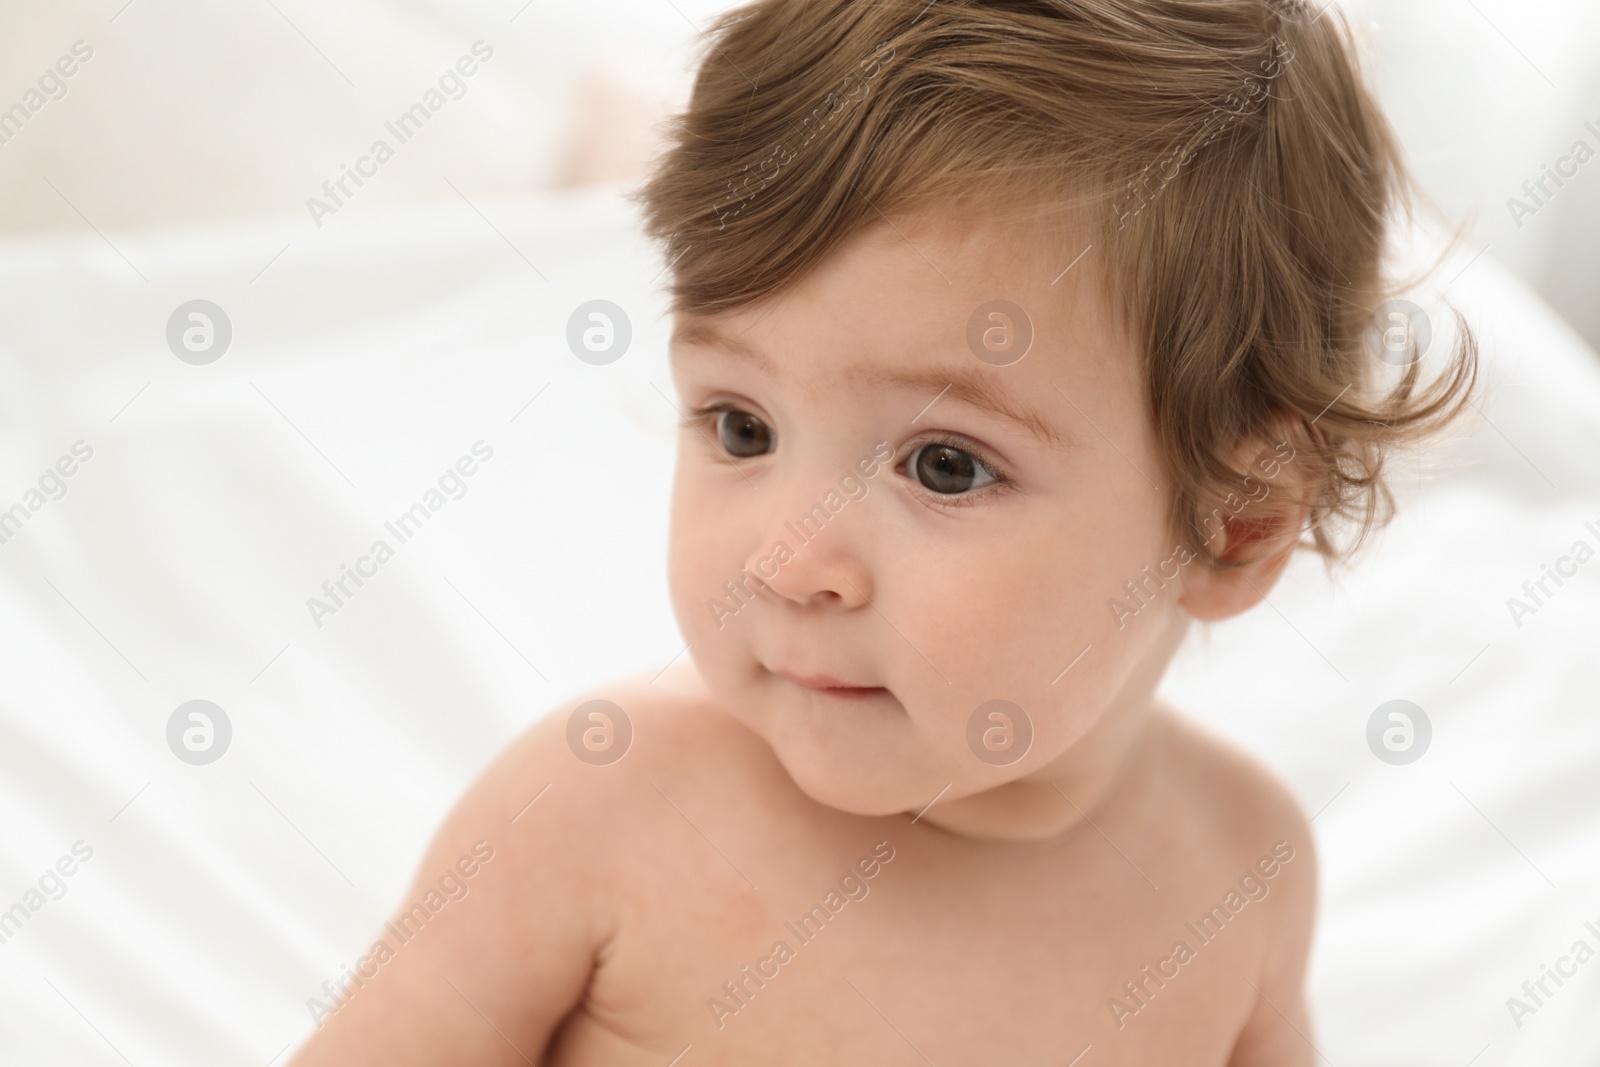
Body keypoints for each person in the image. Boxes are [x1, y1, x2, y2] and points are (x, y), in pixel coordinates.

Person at [289, 0, 1476, 1062]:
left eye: (944, 464)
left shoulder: (1237, 871)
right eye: (741, 426)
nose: (786, 557)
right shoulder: (597, 809)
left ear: (1237, 524)